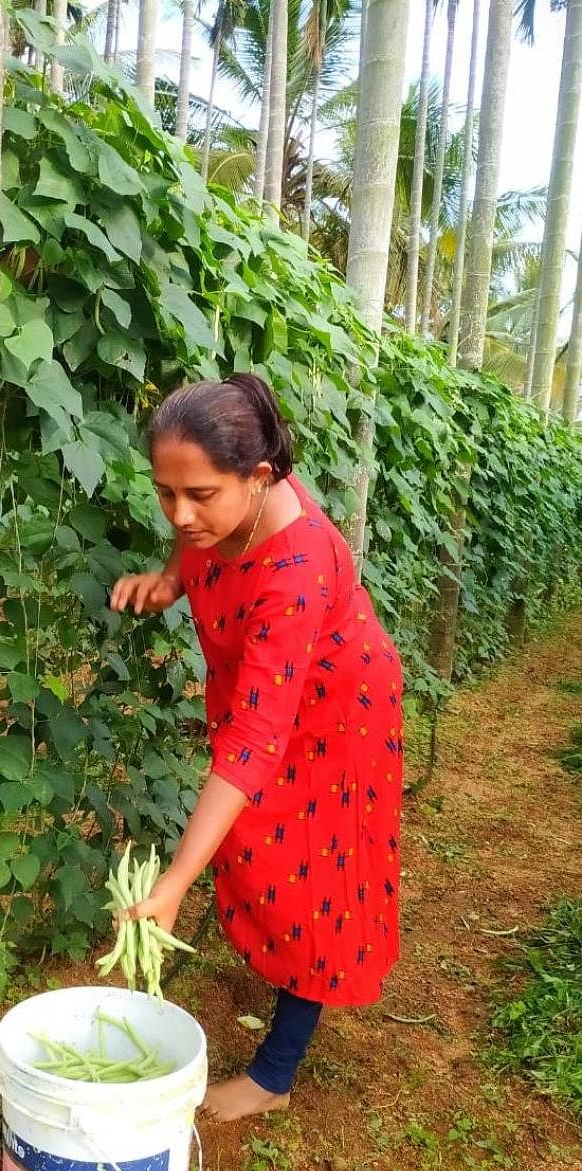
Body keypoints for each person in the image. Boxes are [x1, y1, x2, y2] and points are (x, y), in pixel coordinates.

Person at [111, 374, 402, 1122]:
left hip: (337, 714)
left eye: (199, 495)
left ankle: (276, 1070)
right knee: (255, 842)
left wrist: (174, 880)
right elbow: (194, 529)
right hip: (269, 697)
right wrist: (173, 579)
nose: (179, 512)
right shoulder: (218, 506)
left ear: (261, 477)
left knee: (310, 875)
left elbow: (253, 738)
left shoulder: (294, 567)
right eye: (164, 492)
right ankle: (277, 964)